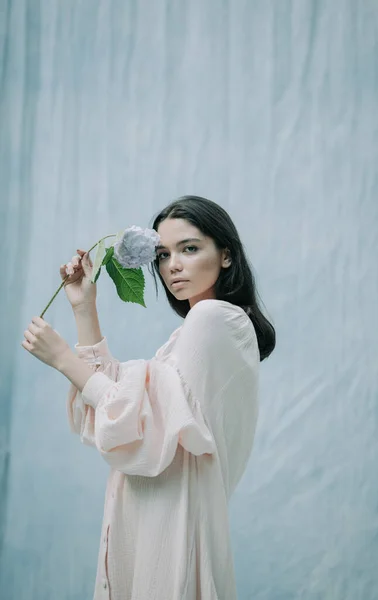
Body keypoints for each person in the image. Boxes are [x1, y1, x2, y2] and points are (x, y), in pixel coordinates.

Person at [22, 195, 276, 600]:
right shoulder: (197, 331)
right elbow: (125, 405)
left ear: (226, 256)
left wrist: (63, 359)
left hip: (172, 524)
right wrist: (85, 306)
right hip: (156, 519)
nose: (172, 265)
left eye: (189, 249)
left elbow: (139, 423)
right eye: (162, 254)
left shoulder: (214, 320)